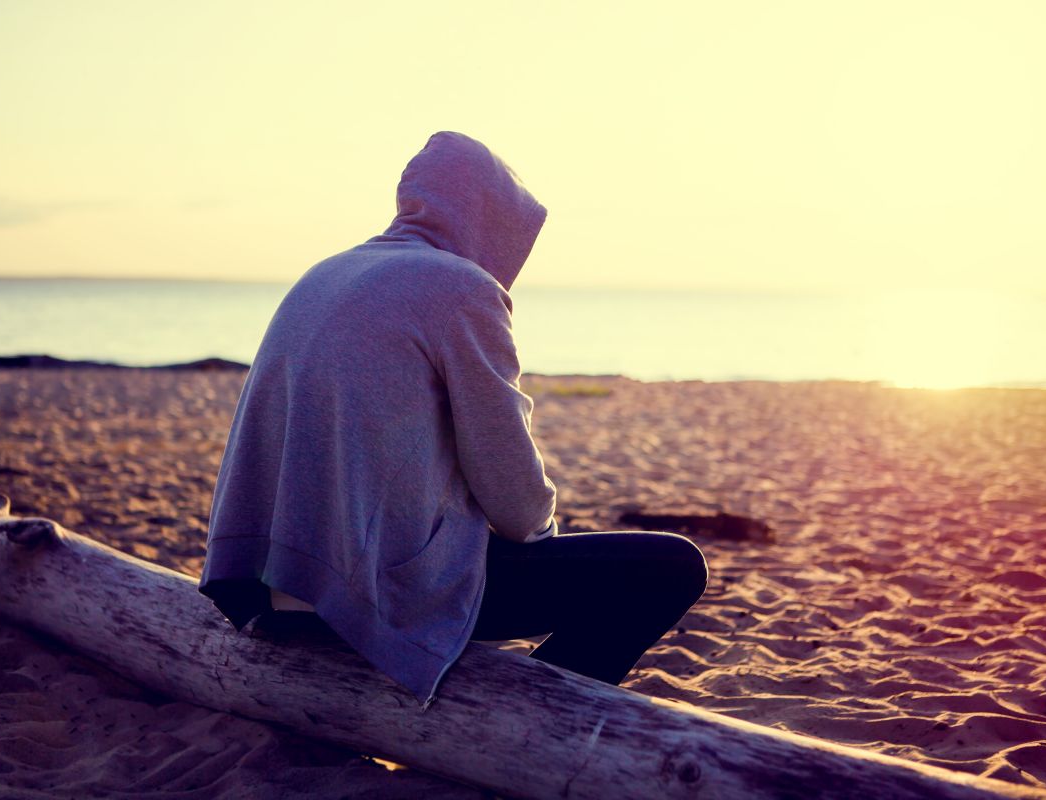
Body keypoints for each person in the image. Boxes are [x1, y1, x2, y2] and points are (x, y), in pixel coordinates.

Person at [199, 131, 708, 708]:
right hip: (366, 590)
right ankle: (524, 724)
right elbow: (514, 498)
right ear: (489, 218)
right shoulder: (463, 288)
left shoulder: (327, 272)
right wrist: (540, 540)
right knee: (671, 567)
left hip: (270, 582)